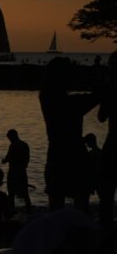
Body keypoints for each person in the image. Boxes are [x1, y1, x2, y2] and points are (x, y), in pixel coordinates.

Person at [39, 56, 98, 212]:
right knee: (80, 204)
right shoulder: (64, 101)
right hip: (74, 155)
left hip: (56, 153)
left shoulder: (46, 96)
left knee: (56, 205)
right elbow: (91, 98)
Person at [99, 51, 117, 228]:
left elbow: (101, 117)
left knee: (107, 190)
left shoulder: (110, 91)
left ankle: (106, 227)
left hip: (113, 143)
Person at [2, 129, 32, 214]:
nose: (9, 140)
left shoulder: (13, 145)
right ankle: (29, 210)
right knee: (25, 193)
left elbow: (8, 157)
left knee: (11, 192)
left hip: (13, 172)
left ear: (12, 136)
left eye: (9, 138)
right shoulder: (25, 145)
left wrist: (3, 160)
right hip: (22, 171)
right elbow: (27, 158)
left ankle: (11, 210)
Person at [85, 133, 102, 198]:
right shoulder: (100, 152)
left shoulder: (91, 154)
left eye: (87, 142)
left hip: (95, 178)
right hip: (99, 177)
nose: (87, 144)